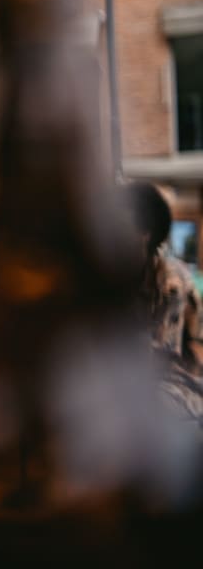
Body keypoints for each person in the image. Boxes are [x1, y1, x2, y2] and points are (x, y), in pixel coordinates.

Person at [125, 181, 203, 423]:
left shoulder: (170, 283)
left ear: (145, 234)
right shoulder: (115, 277)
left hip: (179, 385)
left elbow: (160, 361)